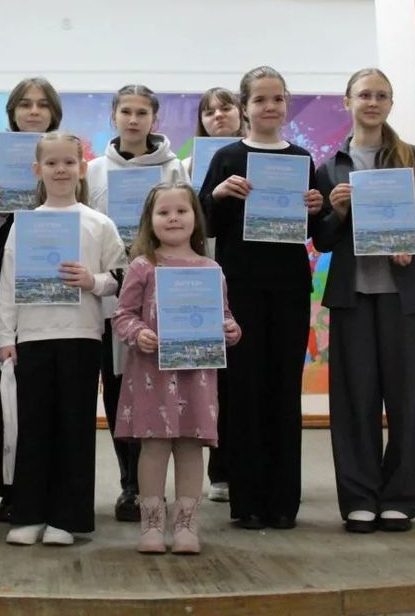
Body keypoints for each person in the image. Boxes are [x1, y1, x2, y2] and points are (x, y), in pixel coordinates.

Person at [313, 68, 415, 533]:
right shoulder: (330, 166)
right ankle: (359, 498)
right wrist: (336, 212)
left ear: (390, 104)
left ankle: (399, 499)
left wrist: (414, 242)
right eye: (364, 94)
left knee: (404, 399)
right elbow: (321, 239)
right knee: (354, 400)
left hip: (403, 298)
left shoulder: (412, 159)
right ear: (347, 102)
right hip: (352, 297)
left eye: (382, 95)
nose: (372, 102)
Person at [199, 66, 323, 531]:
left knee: (284, 392)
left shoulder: (302, 159)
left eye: (277, 99)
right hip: (240, 288)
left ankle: (283, 502)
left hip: (289, 288)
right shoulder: (227, 157)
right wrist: (216, 195)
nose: (270, 107)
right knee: (244, 391)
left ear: (286, 104)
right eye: (260, 99)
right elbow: (203, 225)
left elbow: (314, 233)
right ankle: (247, 500)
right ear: (245, 107)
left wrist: (317, 209)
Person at [0, 132, 127, 546]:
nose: (60, 170)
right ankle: (29, 514)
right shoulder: (24, 223)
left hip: (82, 337)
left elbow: (120, 278)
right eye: (51, 163)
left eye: (69, 162)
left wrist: (93, 281)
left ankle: (67, 519)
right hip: (32, 339)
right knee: (33, 428)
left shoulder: (99, 223)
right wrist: (6, 337)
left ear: (82, 168)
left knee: (75, 428)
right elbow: (8, 284)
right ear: (37, 170)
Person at [112, 182, 242, 554]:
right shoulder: (142, 266)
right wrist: (138, 333)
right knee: (153, 448)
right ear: (149, 221)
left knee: (190, 447)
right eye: (164, 212)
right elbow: (122, 315)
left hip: (196, 378)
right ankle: (152, 524)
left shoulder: (211, 269)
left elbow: (225, 317)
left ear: (195, 219)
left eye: (181, 211)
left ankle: (186, 525)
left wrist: (231, 330)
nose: (173, 218)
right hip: (152, 376)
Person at [85, 84, 186, 522]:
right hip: (109, 296)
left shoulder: (173, 170)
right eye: (125, 111)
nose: (133, 119)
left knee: (152, 390)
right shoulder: (93, 171)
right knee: (116, 389)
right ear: (113, 116)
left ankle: (151, 486)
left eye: (142, 112)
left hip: (158, 298)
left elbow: (186, 226)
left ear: (153, 119)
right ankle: (130, 484)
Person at [0, 77, 64, 523]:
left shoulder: (67, 157)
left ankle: (52, 487)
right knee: (9, 391)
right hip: (10, 281)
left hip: (57, 285)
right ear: (12, 112)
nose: (34, 111)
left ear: (54, 112)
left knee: (50, 393)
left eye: (42, 104)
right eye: (25, 104)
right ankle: (10, 490)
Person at [182, 86, 243, 503]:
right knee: (212, 378)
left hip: (242, 275)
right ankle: (219, 470)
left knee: (242, 375)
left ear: (241, 113)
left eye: (226, 108)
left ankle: (244, 465)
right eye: (209, 111)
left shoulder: (257, 157)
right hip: (199, 279)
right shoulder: (186, 166)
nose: (218, 116)